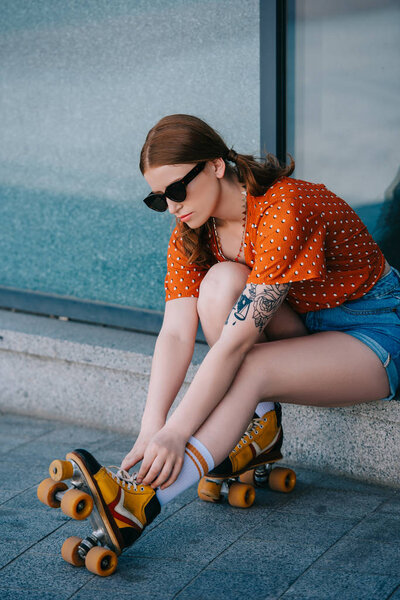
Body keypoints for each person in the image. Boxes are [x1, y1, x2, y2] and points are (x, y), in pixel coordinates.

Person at [78, 114, 400, 552]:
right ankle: (261, 426)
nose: (172, 206)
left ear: (214, 165)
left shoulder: (285, 206)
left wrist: (178, 431)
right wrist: (152, 428)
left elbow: (233, 346)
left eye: (177, 189)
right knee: (220, 283)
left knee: (249, 367)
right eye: (158, 199)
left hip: (375, 331)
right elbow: (175, 333)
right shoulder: (194, 232)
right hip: (309, 327)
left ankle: (140, 503)